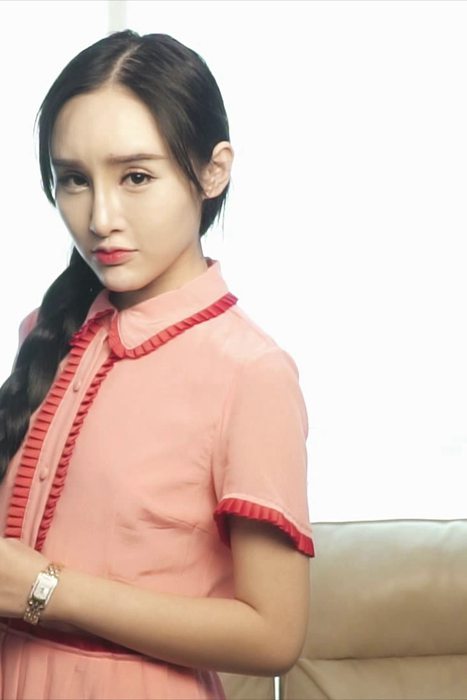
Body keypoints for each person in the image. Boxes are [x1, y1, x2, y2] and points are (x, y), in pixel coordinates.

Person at [0, 29, 314, 700]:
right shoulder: (44, 333)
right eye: (74, 180)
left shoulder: (249, 373)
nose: (100, 217)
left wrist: (44, 590)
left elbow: (273, 636)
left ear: (213, 170)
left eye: (136, 177)